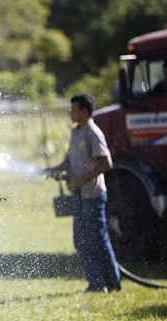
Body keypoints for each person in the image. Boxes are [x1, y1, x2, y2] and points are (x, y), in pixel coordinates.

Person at [45, 94, 121, 293]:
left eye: (74, 109)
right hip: (79, 196)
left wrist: (80, 180)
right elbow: (70, 161)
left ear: (85, 112)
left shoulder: (93, 133)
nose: (70, 112)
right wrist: (57, 169)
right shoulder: (76, 132)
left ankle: (111, 282)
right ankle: (96, 282)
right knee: (80, 240)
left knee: (97, 239)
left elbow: (106, 163)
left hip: (93, 196)